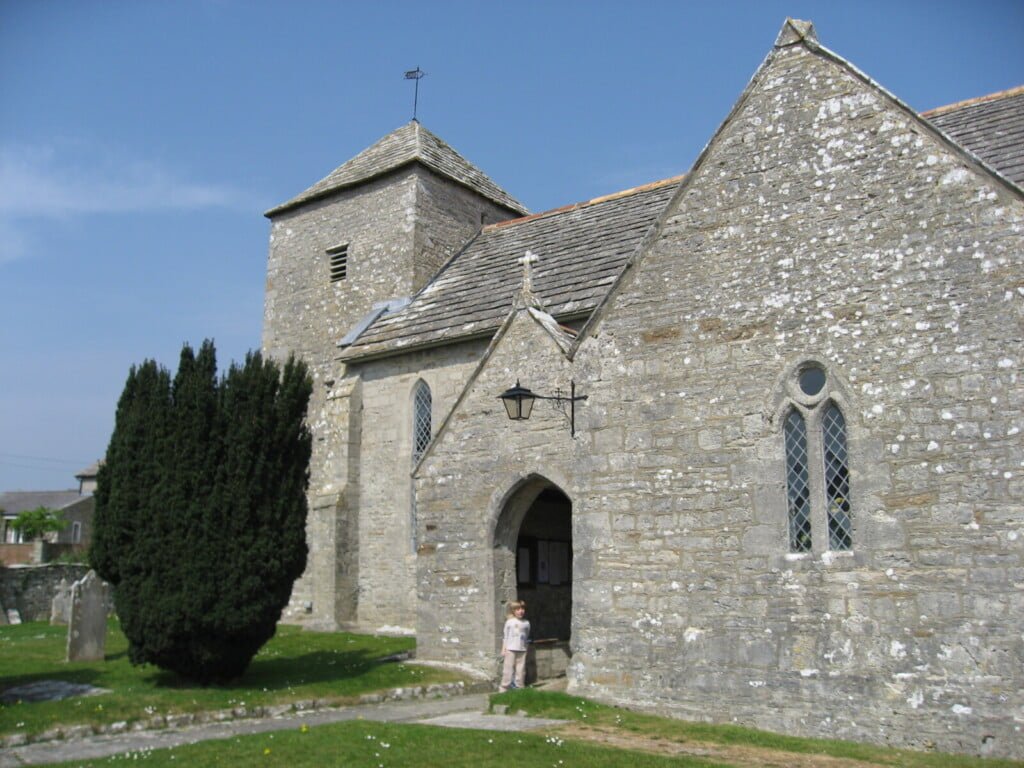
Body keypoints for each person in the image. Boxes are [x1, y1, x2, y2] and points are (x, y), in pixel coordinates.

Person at [499, 600, 530, 692]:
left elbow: (526, 635)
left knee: (520, 669)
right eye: (518, 609)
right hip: (511, 649)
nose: (521, 611)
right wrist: (503, 649)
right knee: (508, 669)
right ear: (513, 611)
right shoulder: (510, 622)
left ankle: (519, 687)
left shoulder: (526, 623)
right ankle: (504, 688)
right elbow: (506, 636)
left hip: (522, 649)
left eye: (522, 609)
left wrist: (525, 646)